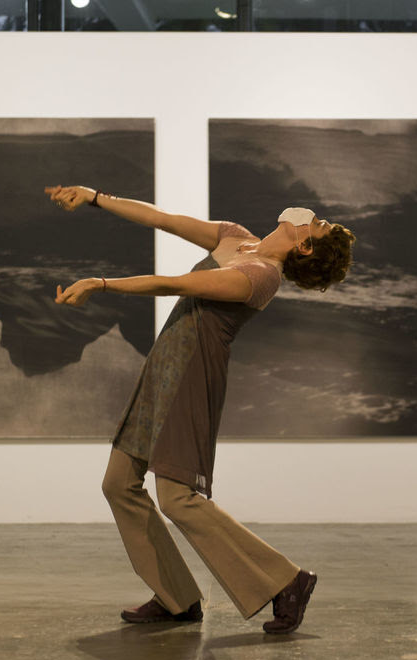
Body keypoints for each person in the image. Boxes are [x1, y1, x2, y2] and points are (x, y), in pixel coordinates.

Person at [45, 184, 355, 634]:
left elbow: (176, 284)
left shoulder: (260, 277)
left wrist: (102, 283)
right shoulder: (235, 237)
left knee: (179, 498)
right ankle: (176, 597)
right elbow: (162, 219)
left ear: (305, 245)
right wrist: (93, 197)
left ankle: (287, 580)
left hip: (192, 374)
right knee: (118, 483)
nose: (313, 215)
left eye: (318, 224)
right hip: (164, 366)